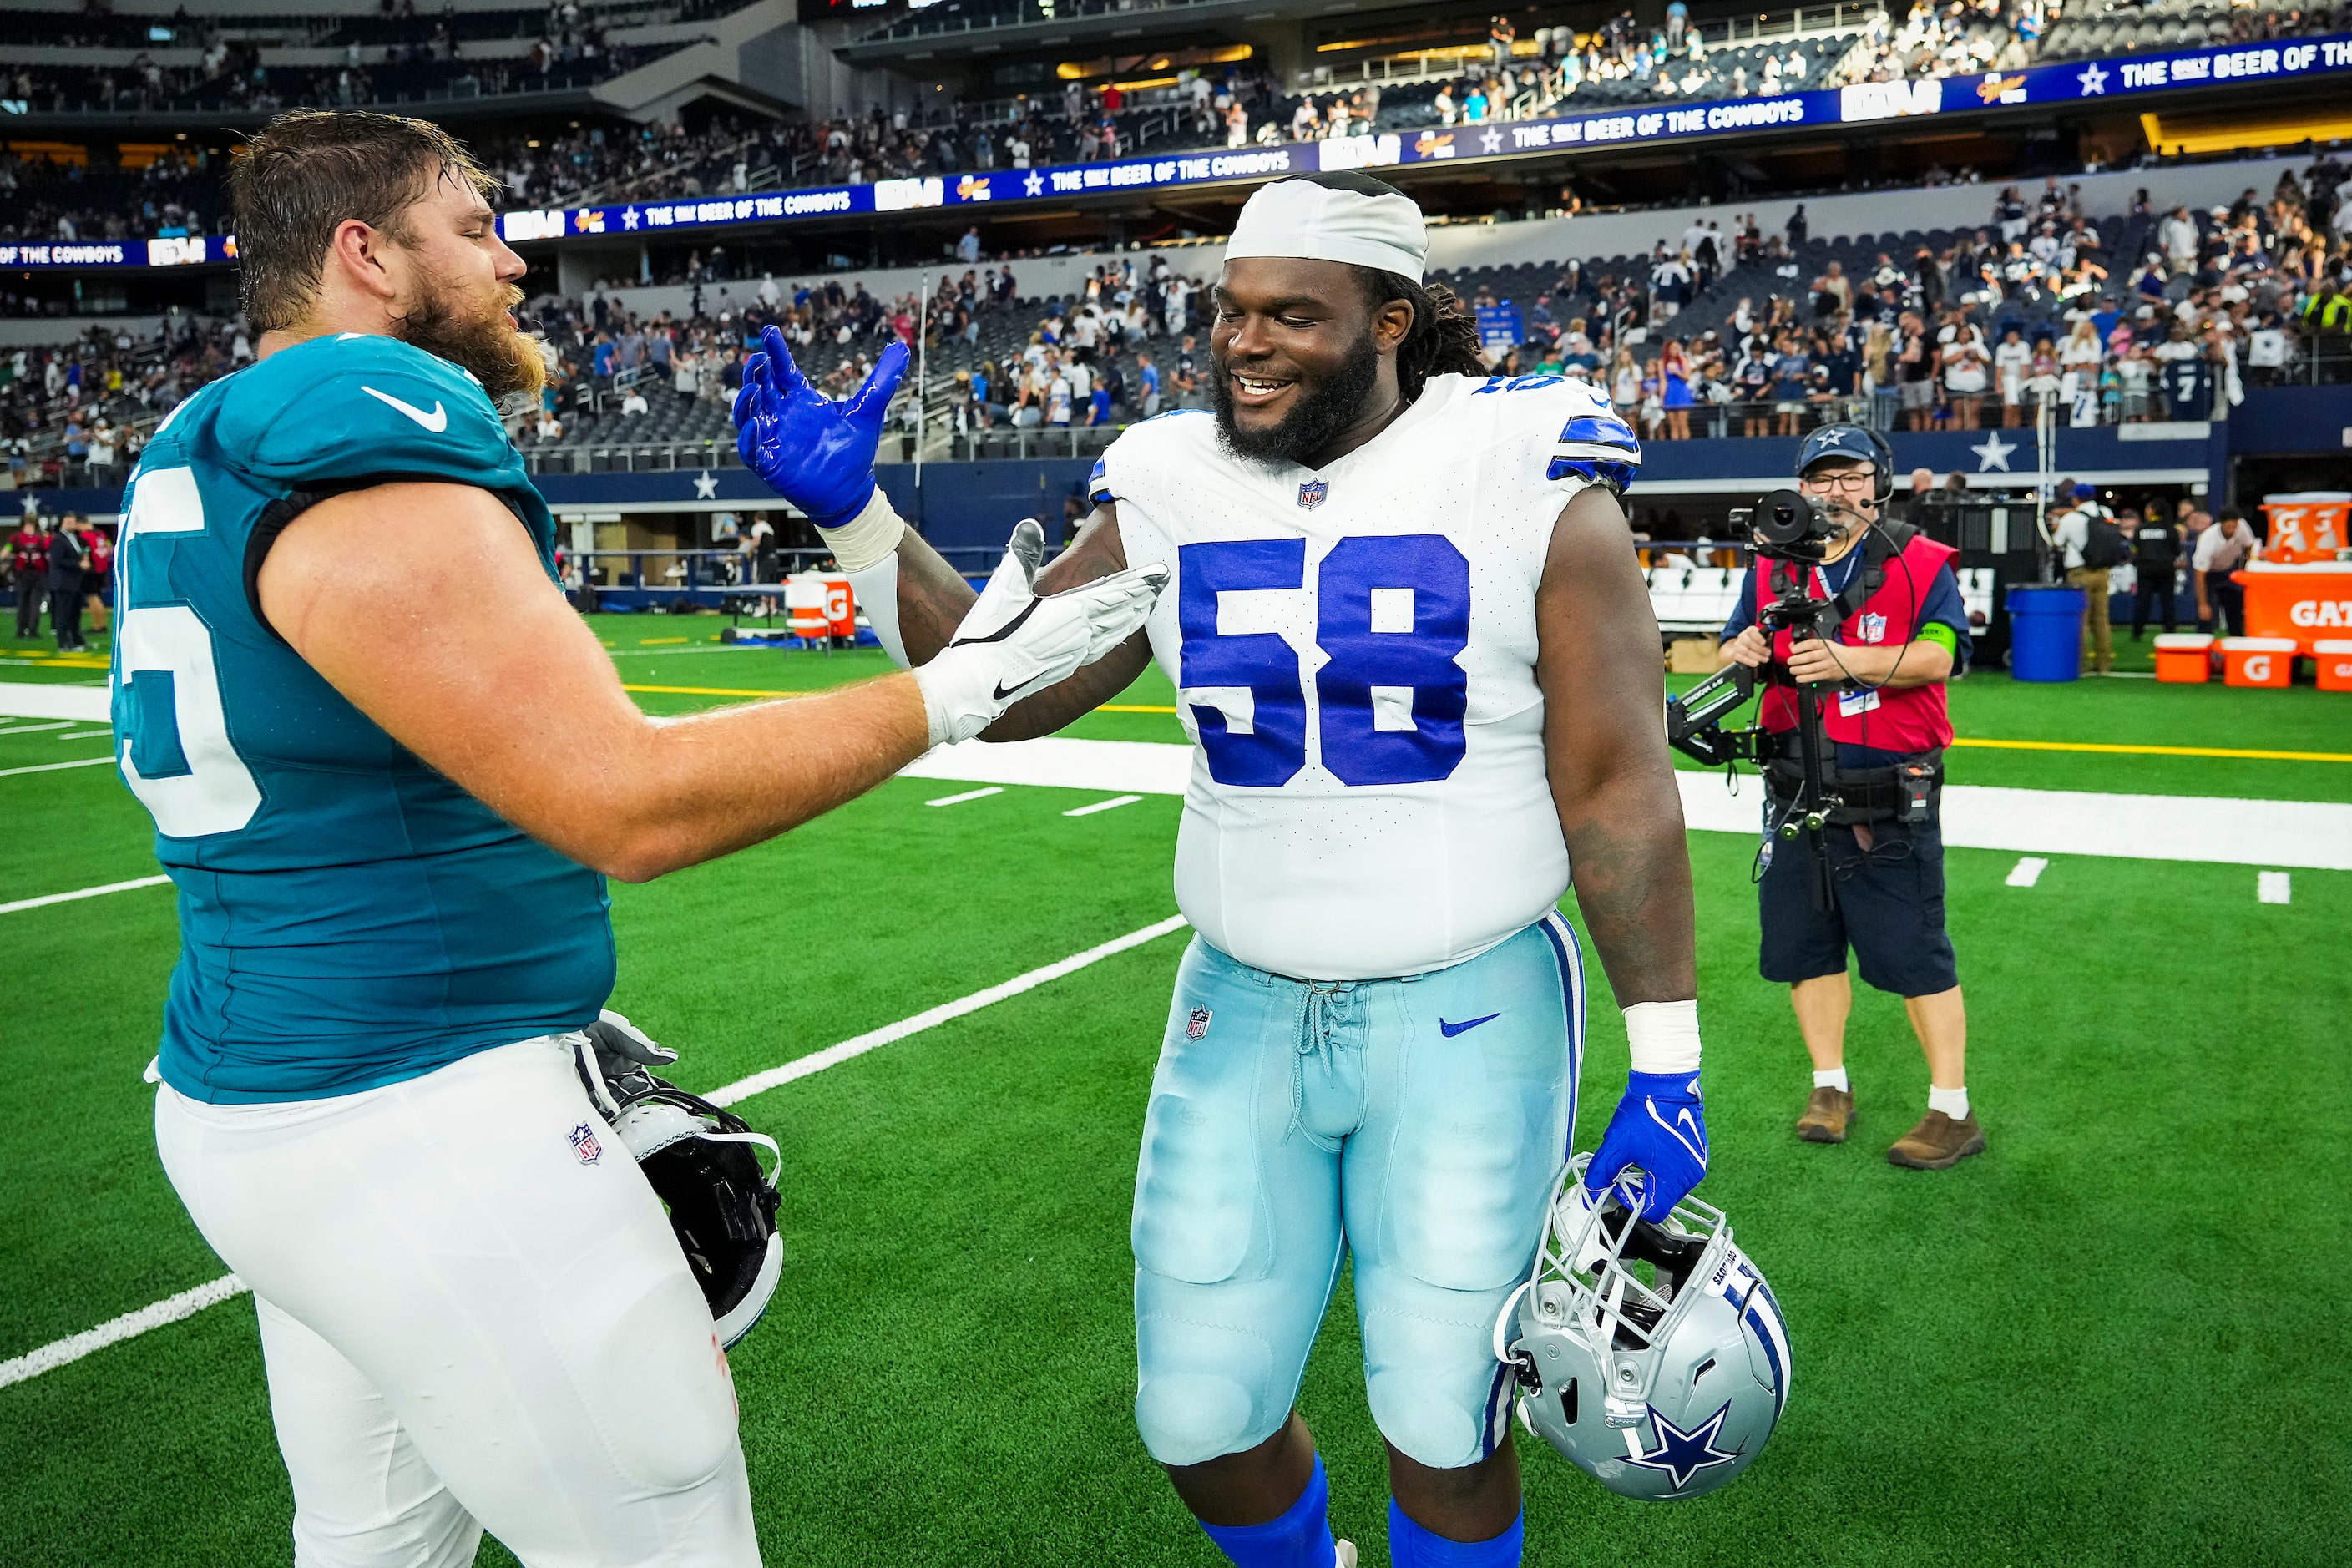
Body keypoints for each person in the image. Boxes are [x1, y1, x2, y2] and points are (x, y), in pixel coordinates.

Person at [128, 110, 1163, 1568]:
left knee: (371, 1547)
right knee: (670, 1532)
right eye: (475, 225)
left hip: (273, 1083)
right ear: (363, 254)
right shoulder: (365, 407)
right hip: (406, 1109)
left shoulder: (204, 432)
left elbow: (346, 788)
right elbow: (624, 796)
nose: (515, 258)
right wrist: (958, 686)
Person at [740, 170, 1712, 1568]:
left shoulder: (1524, 465)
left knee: (1446, 1412)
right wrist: (859, 522)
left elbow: (1616, 779)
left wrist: (1666, 1058)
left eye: (1290, 318)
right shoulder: (1169, 478)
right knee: (1196, 1411)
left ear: (1388, 324)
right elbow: (1010, 688)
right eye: (1231, 313)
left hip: (1468, 999)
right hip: (1240, 997)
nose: (1245, 343)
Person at [1718, 425, 1982, 1171]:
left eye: (1850, 475)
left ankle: (1951, 1111)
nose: (1834, 491)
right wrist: (1738, 650)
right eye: (1820, 478)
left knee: (1914, 955)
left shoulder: (1919, 561)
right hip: (1794, 790)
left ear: (1877, 482)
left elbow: (1940, 655)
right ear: (1801, 488)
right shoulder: (1770, 565)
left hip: (1887, 803)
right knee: (1806, 949)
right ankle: (1828, 1087)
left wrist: (1847, 660)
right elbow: (1731, 642)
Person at [2051, 482, 2120, 673]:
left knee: (2080, 620)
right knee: (2102, 620)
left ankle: (2081, 664)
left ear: (2075, 498)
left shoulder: (2070, 519)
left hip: (2080, 574)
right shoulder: (2105, 513)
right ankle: (2104, 664)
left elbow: (2057, 542)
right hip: (2102, 572)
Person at [2193, 505, 2258, 636]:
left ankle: (2237, 642)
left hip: (2227, 571)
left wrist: (2248, 563)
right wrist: (2203, 604)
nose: (2233, 530)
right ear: (2221, 524)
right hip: (2208, 575)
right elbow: (2199, 575)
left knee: (2235, 609)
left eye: (2235, 526)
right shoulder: (2208, 540)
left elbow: (2250, 545)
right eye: (2229, 527)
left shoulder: (2242, 528)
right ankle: (2204, 644)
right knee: (2207, 615)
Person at [2129, 505, 2182, 637]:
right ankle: (2170, 631)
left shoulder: (2141, 529)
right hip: (2166, 568)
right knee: (2168, 601)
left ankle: (2137, 632)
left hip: (2145, 568)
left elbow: (2134, 549)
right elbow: (2177, 551)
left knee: (2143, 601)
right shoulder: (2171, 529)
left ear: (2153, 511)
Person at [46, 507, 89, 651]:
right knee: (63, 613)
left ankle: (77, 640)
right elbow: (57, 561)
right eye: (68, 521)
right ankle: (64, 643)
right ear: (62, 523)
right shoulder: (58, 539)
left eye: (73, 521)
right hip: (63, 582)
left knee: (74, 613)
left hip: (74, 582)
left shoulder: (75, 538)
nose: (71, 524)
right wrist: (78, 564)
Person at [9, 509, 45, 640]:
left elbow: (48, 553)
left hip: (38, 574)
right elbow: (7, 549)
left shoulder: (42, 539)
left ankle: (32, 630)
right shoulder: (15, 538)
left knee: (35, 603)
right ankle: (21, 629)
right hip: (22, 574)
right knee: (23, 603)